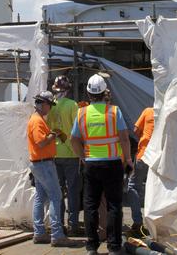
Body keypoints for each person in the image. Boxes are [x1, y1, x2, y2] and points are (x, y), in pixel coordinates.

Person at [70, 74, 131, 254]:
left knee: (90, 206)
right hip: (112, 164)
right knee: (114, 205)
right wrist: (128, 160)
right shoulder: (114, 111)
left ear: (88, 93)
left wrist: (82, 157)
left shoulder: (81, 113)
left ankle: (91, 246)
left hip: (91, 165)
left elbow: (74, 140)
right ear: (105, 92)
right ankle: (113, 247)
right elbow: (125, 138)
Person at [29, 92, 72, 246]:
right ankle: (57, 235)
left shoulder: (37, 119)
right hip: (44, 164)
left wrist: (52, 133)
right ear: (43, 104)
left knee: (41, 197)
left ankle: (39, 233)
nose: (50, 109)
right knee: (56, 196)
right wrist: (54, 134)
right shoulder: (37, 121)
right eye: (49, 105)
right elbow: (41, 143)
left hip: (39, 163)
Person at [48, 75, 83, 235]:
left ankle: (59, 224)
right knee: (73, 191)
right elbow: (77, 131)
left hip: (55, 154)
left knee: (58, 191)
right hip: (72, 154)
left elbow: (49, 129)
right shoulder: (72, 105)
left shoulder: (50, 106)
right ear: (68, 90)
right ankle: (73, 225)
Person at [127, 105, 155, 236]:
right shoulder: (169, 113)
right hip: (160, 157)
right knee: (156, 189)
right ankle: (155, 224)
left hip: (144, 154)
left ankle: (137, 223)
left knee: (133, 186)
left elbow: (136, 130)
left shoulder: (148, 111)